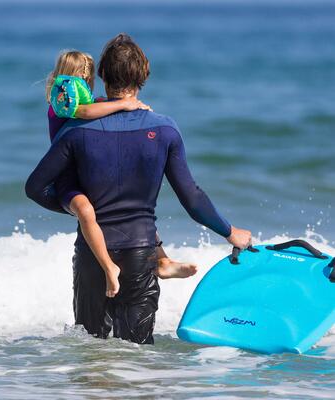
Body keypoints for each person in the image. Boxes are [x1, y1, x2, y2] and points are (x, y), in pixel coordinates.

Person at [26, 34, 251, 344]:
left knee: (91, 358)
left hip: (93, 256)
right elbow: (192, 198)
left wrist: (78, 210)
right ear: (144, 74)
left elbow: (35, 187)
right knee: (137, 361)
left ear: (102, 77)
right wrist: (230, 231)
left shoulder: (74, 131)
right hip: (140, 255)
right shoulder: (164, 129)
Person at [45, 50, 197, 299]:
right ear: (80, 75)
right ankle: (109, 267)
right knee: (86, 211)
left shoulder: (78, 96)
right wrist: (125, 104)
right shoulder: (64, 99)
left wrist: (130, 109)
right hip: (68, 177)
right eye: (88, 76)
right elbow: (84, 113)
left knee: (134, 208)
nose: (90, 82)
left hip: (84, 172)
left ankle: (162, 261)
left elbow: (94, 107)